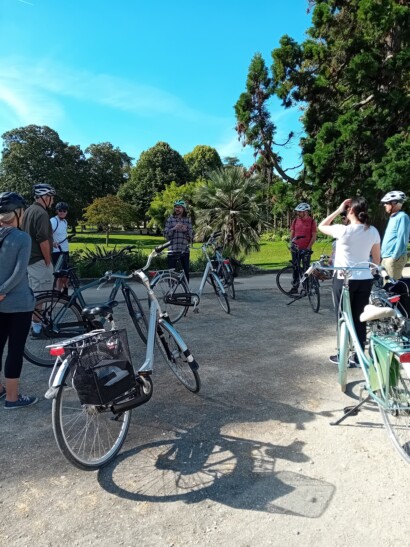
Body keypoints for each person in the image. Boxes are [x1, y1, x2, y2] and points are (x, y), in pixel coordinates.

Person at [318, 197, 381, 366]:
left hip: (344, 279)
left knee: (343, 317)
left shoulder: (343, 230)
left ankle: (343, 353)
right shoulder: (373, 231)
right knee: (360, 317)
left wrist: (338, 210)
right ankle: (358, 355)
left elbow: (321, 226)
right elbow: (376, 259)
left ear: (350, 211)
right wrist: (370, 272)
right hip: (365, 280)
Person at [0, 192, 37, 409]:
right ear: (17, 213)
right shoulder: (22, 237)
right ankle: (13, 398)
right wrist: (2, 290)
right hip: (18, 303)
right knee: (15, 348)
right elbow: (19, 272)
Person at [22, 183, 56, 337]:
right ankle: (37, 328)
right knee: (41, 295)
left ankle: (36, 323)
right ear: (45, 197)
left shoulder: (28, 211)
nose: (53, 201)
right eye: (51, 197)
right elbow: (42, 239)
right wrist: (48, 260)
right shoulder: (41, 213)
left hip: (28, 259)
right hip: (39, 261)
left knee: (35, 294)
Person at [380, 191, 410, 280]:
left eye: (386, 203)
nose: (384, 205)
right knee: (387, 287)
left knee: (393, 288)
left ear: (394, 203)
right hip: (386, 257)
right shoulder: (393, 217)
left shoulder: (402, 217)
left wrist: (394, 257)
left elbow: (402, 239)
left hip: (393, 258)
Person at [289, 202, 317, 293]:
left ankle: (306, 287)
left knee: (306, 268)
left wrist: (308, 247)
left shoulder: (312, 221)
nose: (298, 213)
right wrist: (291, 243)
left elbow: (314, 236)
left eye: (300, 212)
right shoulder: (295, 221)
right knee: (295, 268)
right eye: (298, 212)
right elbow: (292, 233)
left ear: (305, 212)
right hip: (295, 248)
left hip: (306, 249)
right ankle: (295, 287)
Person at [164, 200, 194, 282]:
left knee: (186, 271)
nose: (177, 209)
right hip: (172, 250)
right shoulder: (170, 219)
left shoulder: (188, 220)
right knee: (171, 272)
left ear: (183, 209)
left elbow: (191, 237)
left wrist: (186, 230)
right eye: (176, 207)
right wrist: (174, 229)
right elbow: (165, 234)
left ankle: (187, 290)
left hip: (184, 250)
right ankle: (171, 291)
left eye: (179, 207)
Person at [51, 201, 70, 294]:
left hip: (65, 250)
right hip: (57, 251)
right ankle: (58, 292)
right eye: (60, 210)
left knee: (66, 273)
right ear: (57, 211)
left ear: (67, 212)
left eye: (64, 210)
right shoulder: (54, 221)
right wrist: (52, 242)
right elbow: (47, 233)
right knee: (59, 273)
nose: (62, 212)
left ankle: (65, 289)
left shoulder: (65, 221)